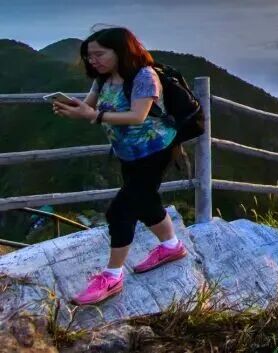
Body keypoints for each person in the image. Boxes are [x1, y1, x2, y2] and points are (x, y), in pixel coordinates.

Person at [51, 28, 186, 306]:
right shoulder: (103, 78)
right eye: (89, 56)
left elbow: (138, 115)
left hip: (155, 150)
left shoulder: (144, 76)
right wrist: (73, 110)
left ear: (121, 50)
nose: (93, 61)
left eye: (99, 54)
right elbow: (89, 107)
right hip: (128, 153)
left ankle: (112, 276)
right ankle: (172, 246)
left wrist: (94, 115)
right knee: (146, 201)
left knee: (120, 211)